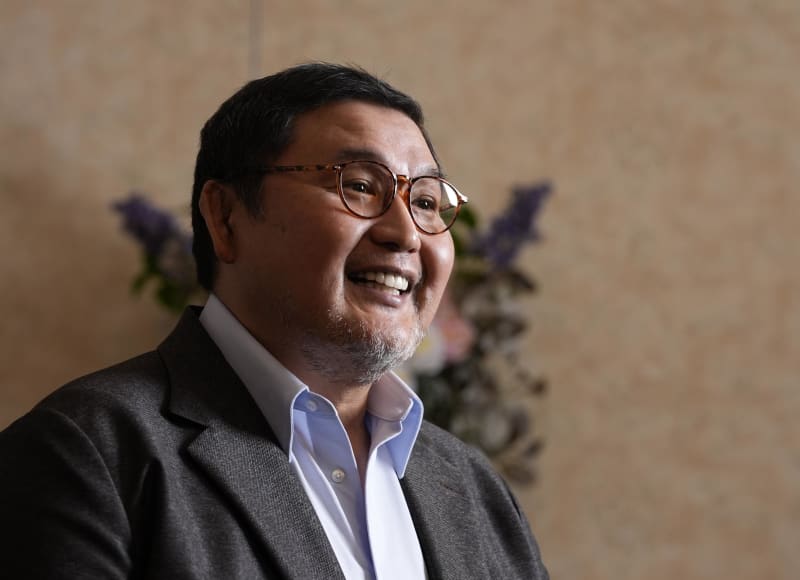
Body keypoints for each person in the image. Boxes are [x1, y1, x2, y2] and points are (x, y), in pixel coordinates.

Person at [0, 63, 548, 579]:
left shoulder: (476, 489)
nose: (405, 233)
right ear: (226, 217)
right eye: (360, 186)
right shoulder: (84, 454)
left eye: (426, 202)